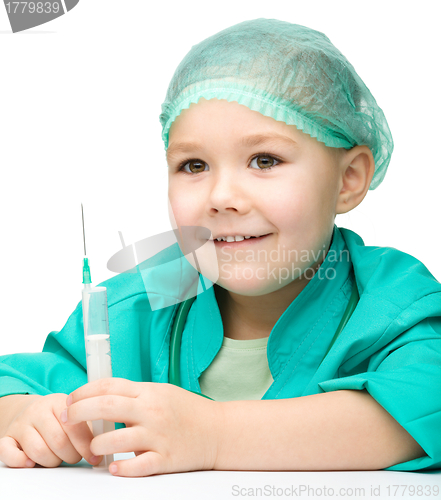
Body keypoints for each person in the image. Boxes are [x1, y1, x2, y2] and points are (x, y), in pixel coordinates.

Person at [0, 18, 440, 477]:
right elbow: (16, 381)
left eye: (264, 160)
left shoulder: (391, 299)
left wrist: (213, 434)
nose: (221, 197)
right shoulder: (142, 301)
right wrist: (24, 418)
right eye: (194, 165)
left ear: (348, 179)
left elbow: (426, 403)